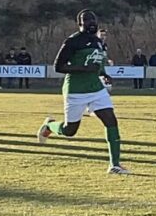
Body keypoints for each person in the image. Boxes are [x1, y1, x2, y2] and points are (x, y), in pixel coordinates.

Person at [36, 10, 128, 175]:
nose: (91, 22)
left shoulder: (98, 42)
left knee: (111, 121)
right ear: (80, 24)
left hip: (96, 89)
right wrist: (84, 69)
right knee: (70, 130)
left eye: (93, 19)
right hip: (75, 91)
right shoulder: (73, 41)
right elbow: (59, 66)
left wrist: (103, 74)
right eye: (86, 20)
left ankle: (115, 165)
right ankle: (49, 126)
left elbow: (96, 62)